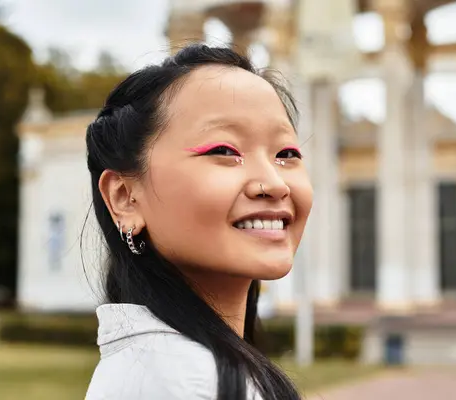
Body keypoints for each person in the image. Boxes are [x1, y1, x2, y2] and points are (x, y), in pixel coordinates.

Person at [84, 44, 313, 400]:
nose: (274, 183)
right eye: (224, 151)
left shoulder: (166, 368)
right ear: (124, 197)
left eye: (286, 154)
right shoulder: (191, 383)